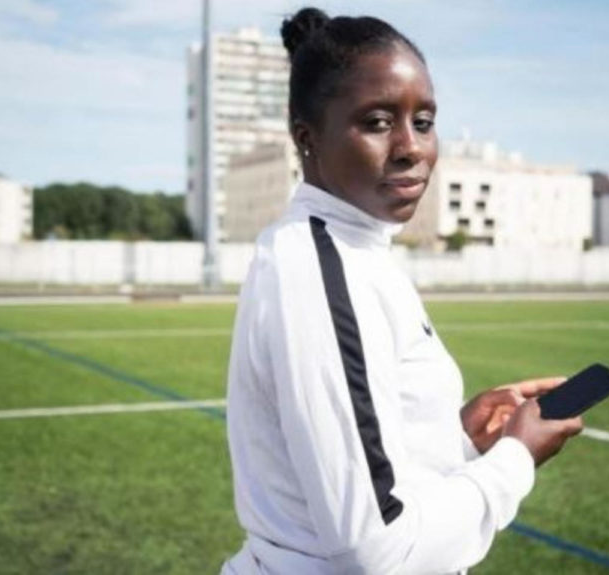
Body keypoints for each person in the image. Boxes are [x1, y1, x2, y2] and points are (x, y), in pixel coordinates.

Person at [221, 7, 583, 574]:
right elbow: (376, 551)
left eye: (424, 120)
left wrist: (455, 441)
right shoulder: (318, 268)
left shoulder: (359, 248)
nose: (411, 146)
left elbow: (373, 473)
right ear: (306, 138)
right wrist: (517, 457)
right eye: (377, 121)